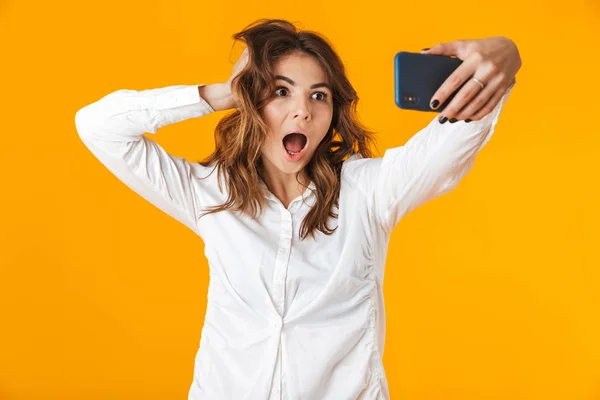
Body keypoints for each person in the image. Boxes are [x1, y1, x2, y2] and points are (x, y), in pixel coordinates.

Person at [74, 18, 521, 400]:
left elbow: (456, 139)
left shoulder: (368, 191)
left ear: (332, 111)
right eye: (281, 92)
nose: (302, 111)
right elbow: (97, 126)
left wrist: (506, 53)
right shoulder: (210, 195)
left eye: (318, 96)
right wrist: (224, 92)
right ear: (254, 103)